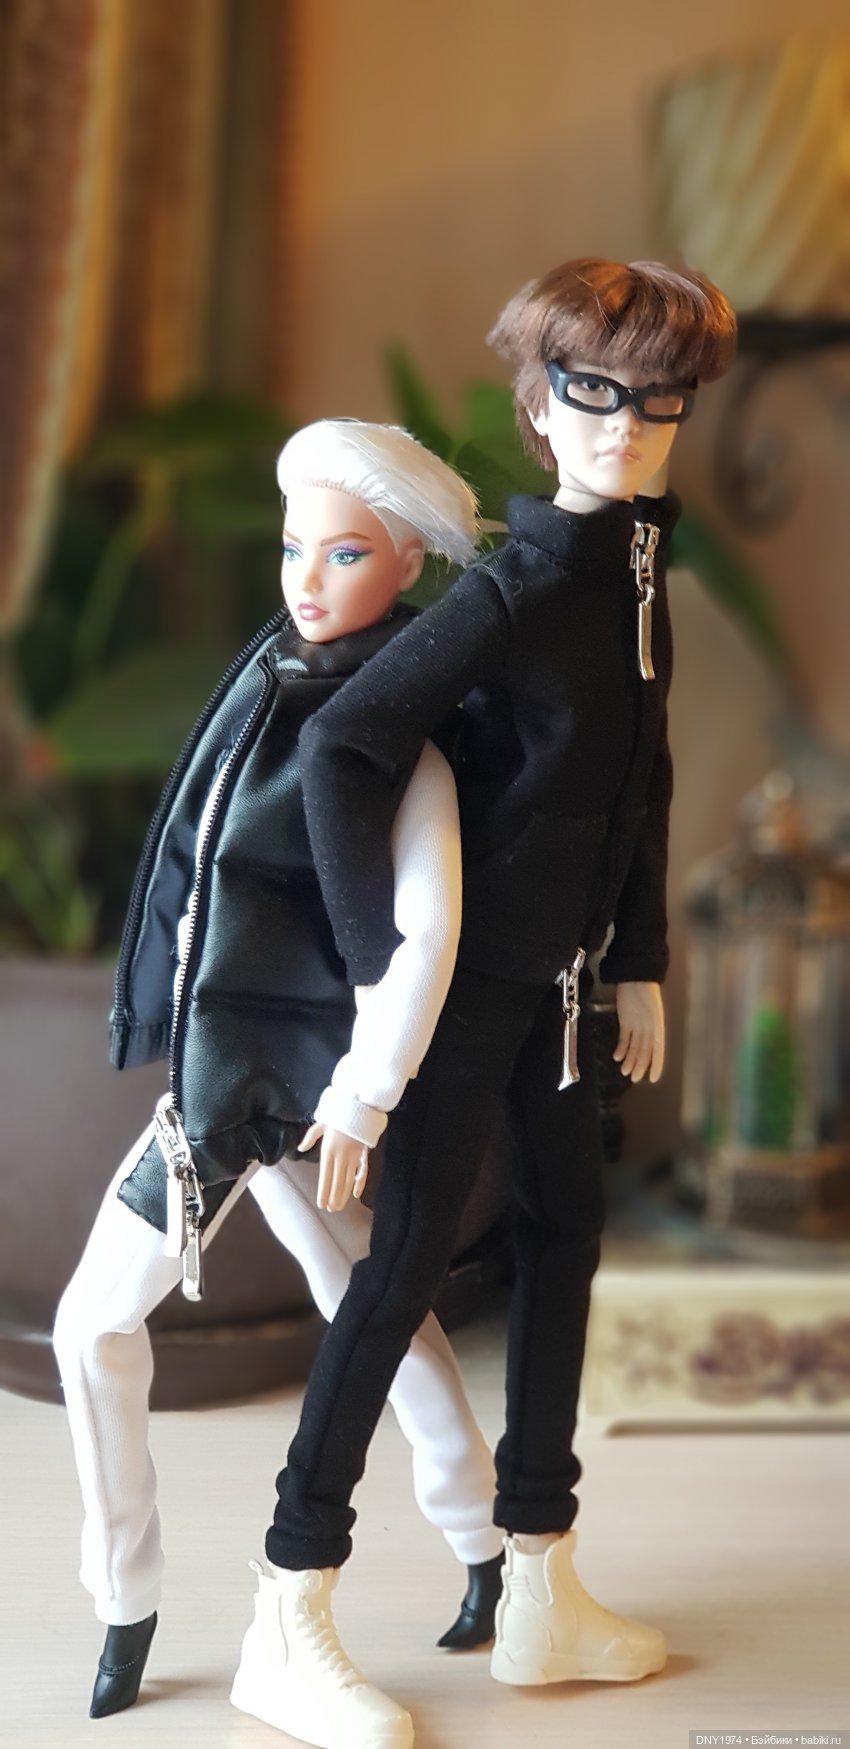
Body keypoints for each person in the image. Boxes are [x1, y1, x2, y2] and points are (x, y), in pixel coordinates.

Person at [230, 258, 738, 1749]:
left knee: (563, 1240)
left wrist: (639, 954)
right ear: (538, 407)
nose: (624, 424)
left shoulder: (635, 575)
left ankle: (541, 1581)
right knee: (400, 1272)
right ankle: (287, 1600)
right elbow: (347, 749)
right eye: (593, 392)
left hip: (569, 993)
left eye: (658, 399)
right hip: (469, 993)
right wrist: (376, 965)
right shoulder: (518, 590)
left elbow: (640, 781)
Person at [53, 421, 506, 1722]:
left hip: (304, 1097)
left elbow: (425, 934)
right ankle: (125, 1596)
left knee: (366, 1313)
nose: (308, 579)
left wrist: (363, 1093)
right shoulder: (262, 689)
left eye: (346, 553)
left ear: (408, 563)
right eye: (296, 547)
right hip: (216, 1087)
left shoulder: (402, 740)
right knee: (117, 1323)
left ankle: (482, 1537)